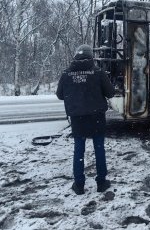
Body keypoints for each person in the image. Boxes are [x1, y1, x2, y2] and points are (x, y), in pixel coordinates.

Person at [56, 44, 114, 195]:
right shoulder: (98, 72)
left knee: (79, 150)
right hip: (97, 117)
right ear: (91, 57)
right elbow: (111, 93)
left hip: (77, 118)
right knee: (99, 148)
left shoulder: (66, 74)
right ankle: (101, 182)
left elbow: (60, 95)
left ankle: (79, 184)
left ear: (76, 56)